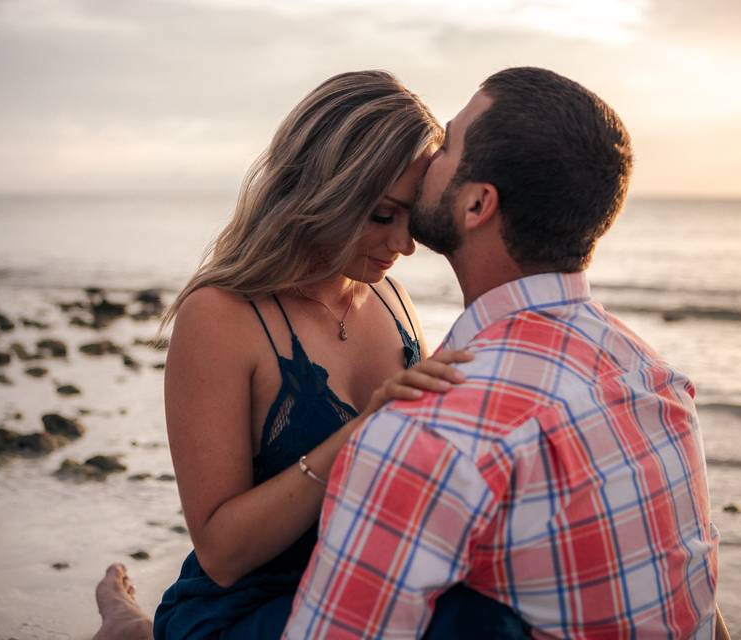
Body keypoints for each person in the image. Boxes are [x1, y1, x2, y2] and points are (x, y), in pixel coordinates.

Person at [284, 67, 726, 639]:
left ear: (477, 205)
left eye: (447, 144)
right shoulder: (655, 379)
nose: (428, 157)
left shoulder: (425, 437)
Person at [91, 70, 487, 640]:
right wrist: (361, 433)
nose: (403, 245)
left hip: (364, 586)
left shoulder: (392, 299)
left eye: (413, 219)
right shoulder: (221, 316)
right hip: (246, 611)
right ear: (322, 191)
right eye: (382, 215)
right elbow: (222, 553)